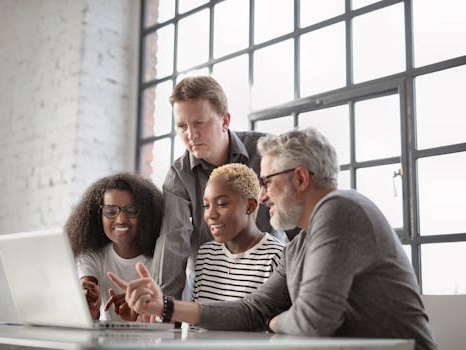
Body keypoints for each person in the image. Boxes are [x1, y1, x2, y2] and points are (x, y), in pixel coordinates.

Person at [108, 128, 437, 350]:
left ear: (301, 177)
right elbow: (252, 310)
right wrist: (166, 307)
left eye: (266, 182)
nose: (262, 196)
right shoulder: (299, 246)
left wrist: (275, 322)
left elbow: (312, 322)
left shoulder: (342, 209)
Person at [152, 75, 287, 300]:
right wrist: (164, 308)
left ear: (225, 121)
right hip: (212, 285)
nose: (191, 135)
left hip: (269, 277)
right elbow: (172, 241)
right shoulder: (179, 174)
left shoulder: (266, 152)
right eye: (182, 126)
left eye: (199, 123)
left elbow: (296, 218)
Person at [65, 173, 163, 320]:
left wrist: (140, 311)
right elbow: (87, 286)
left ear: (146, 215)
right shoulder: (93, 257)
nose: (121, 219)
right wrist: (87, 302)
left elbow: (175, 322)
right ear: (99, 217)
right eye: (110, 211)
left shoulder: (161, 258)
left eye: (131, 210)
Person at [194, 163, 284, 302]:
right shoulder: (206, 254)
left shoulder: (277, 257)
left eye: (222, 204)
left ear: (250, 206)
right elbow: (197, 320)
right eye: (206, 205)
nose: (210, 214)